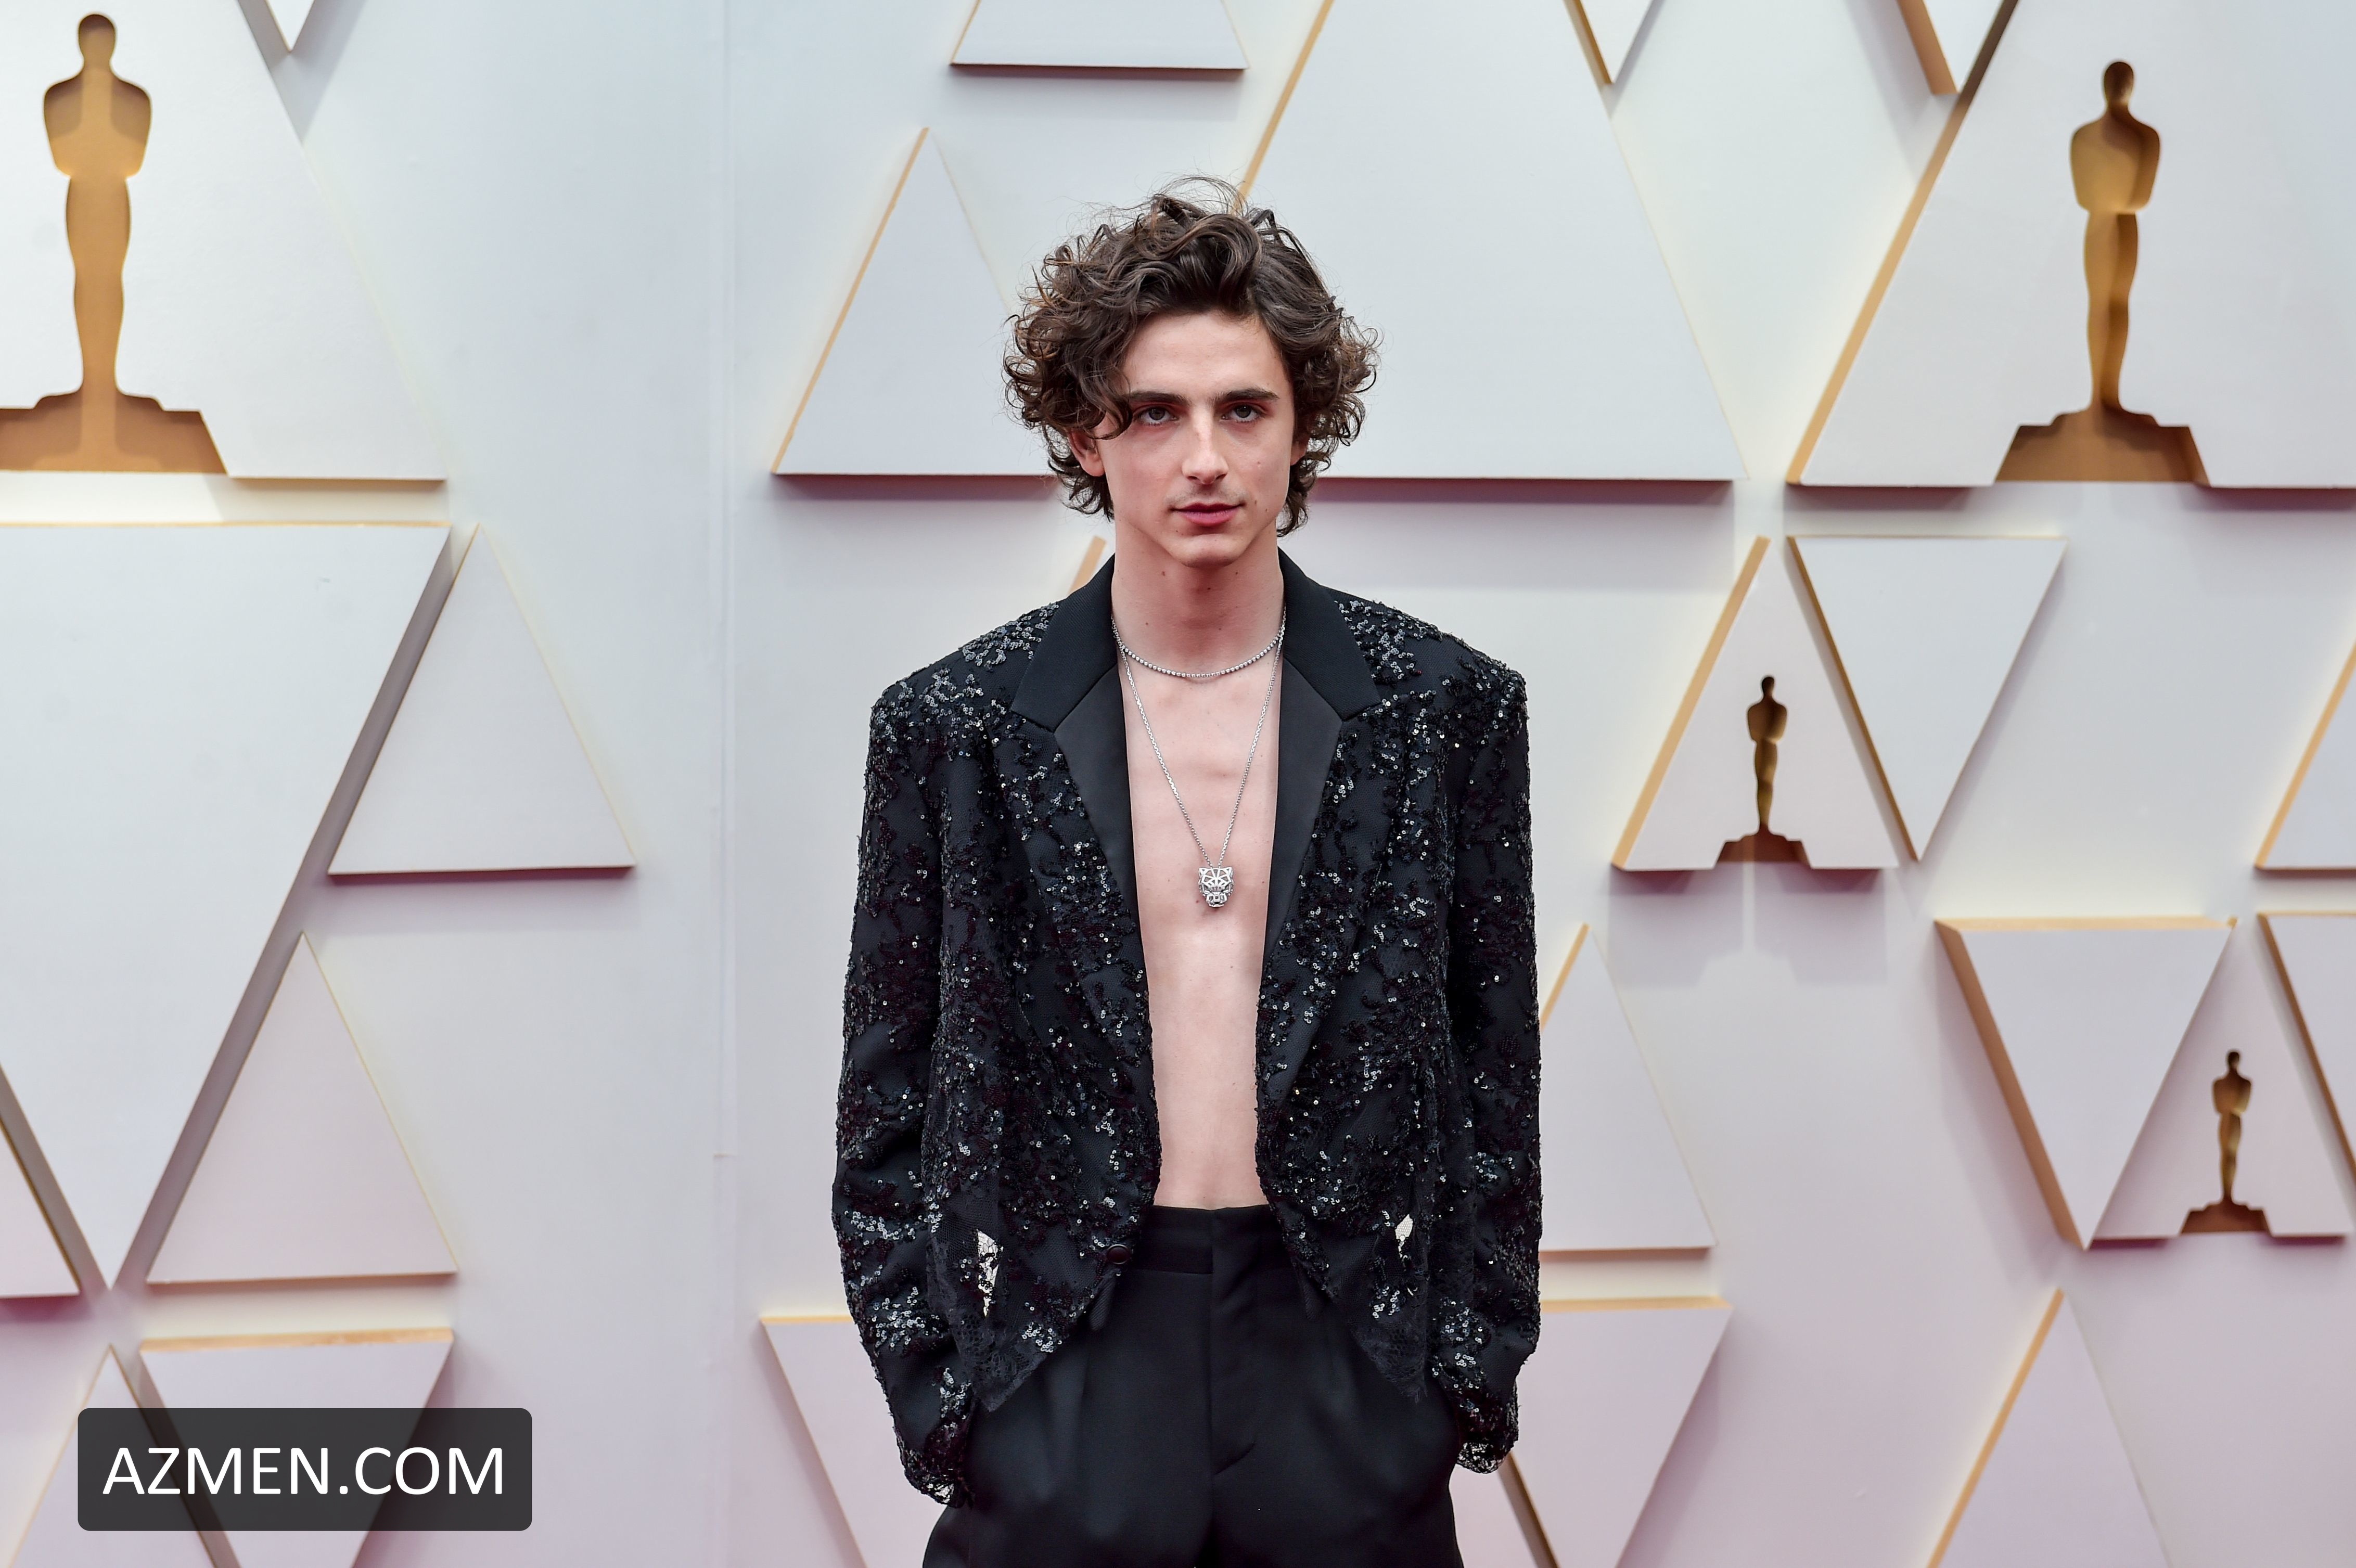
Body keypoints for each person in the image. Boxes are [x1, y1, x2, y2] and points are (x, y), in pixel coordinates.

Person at [834, 182, 1540, 1567]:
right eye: (1154, 412)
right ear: (1086, 434)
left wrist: (1457, 1378)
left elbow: (1496, 1073)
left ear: (1303, 426)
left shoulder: (1444, 709)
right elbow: (886, 1101)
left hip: (1340, 1352)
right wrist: (950, 1401)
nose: (1203, 458)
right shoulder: (954, 726)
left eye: (1243, 409)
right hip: (1071, 1350)